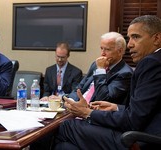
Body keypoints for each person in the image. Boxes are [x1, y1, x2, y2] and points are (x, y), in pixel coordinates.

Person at [54, 15, 161, 150]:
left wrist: (87, 113)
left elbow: (132, 120)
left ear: (156, 38)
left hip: (141, 139)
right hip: (141, 130)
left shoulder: (151, 63)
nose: (130, 44)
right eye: (129, 38)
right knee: (64, 147)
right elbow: (145, 109)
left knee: (66, 126)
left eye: (136, 37)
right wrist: (116, 107)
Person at [67, 32, 133, 104]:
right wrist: (71, 101)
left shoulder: (125, 73)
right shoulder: (95, 65)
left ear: (120, 51)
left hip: (93, 111)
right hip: (77, 106)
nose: (102, 53)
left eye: (107, 49)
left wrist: (101, 70)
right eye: (101, 48)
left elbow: (104, 98)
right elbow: (80, 88)